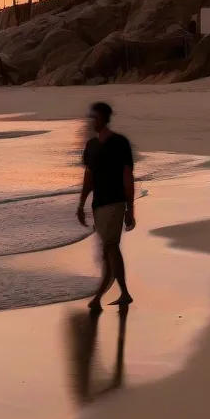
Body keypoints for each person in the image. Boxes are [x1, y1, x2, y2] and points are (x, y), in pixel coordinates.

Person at [77, 101, 135, 311]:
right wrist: (81, 205)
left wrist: (130, 210)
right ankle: (117, 294)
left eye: (94, 117)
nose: (91, 120)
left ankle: (104, 297)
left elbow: (128, 177)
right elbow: (88, 178)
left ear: (102, 118)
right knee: (107, 250)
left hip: (115, 203)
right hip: (98, 206)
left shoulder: (120, 143)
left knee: (110, 247)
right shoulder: (91, 146)